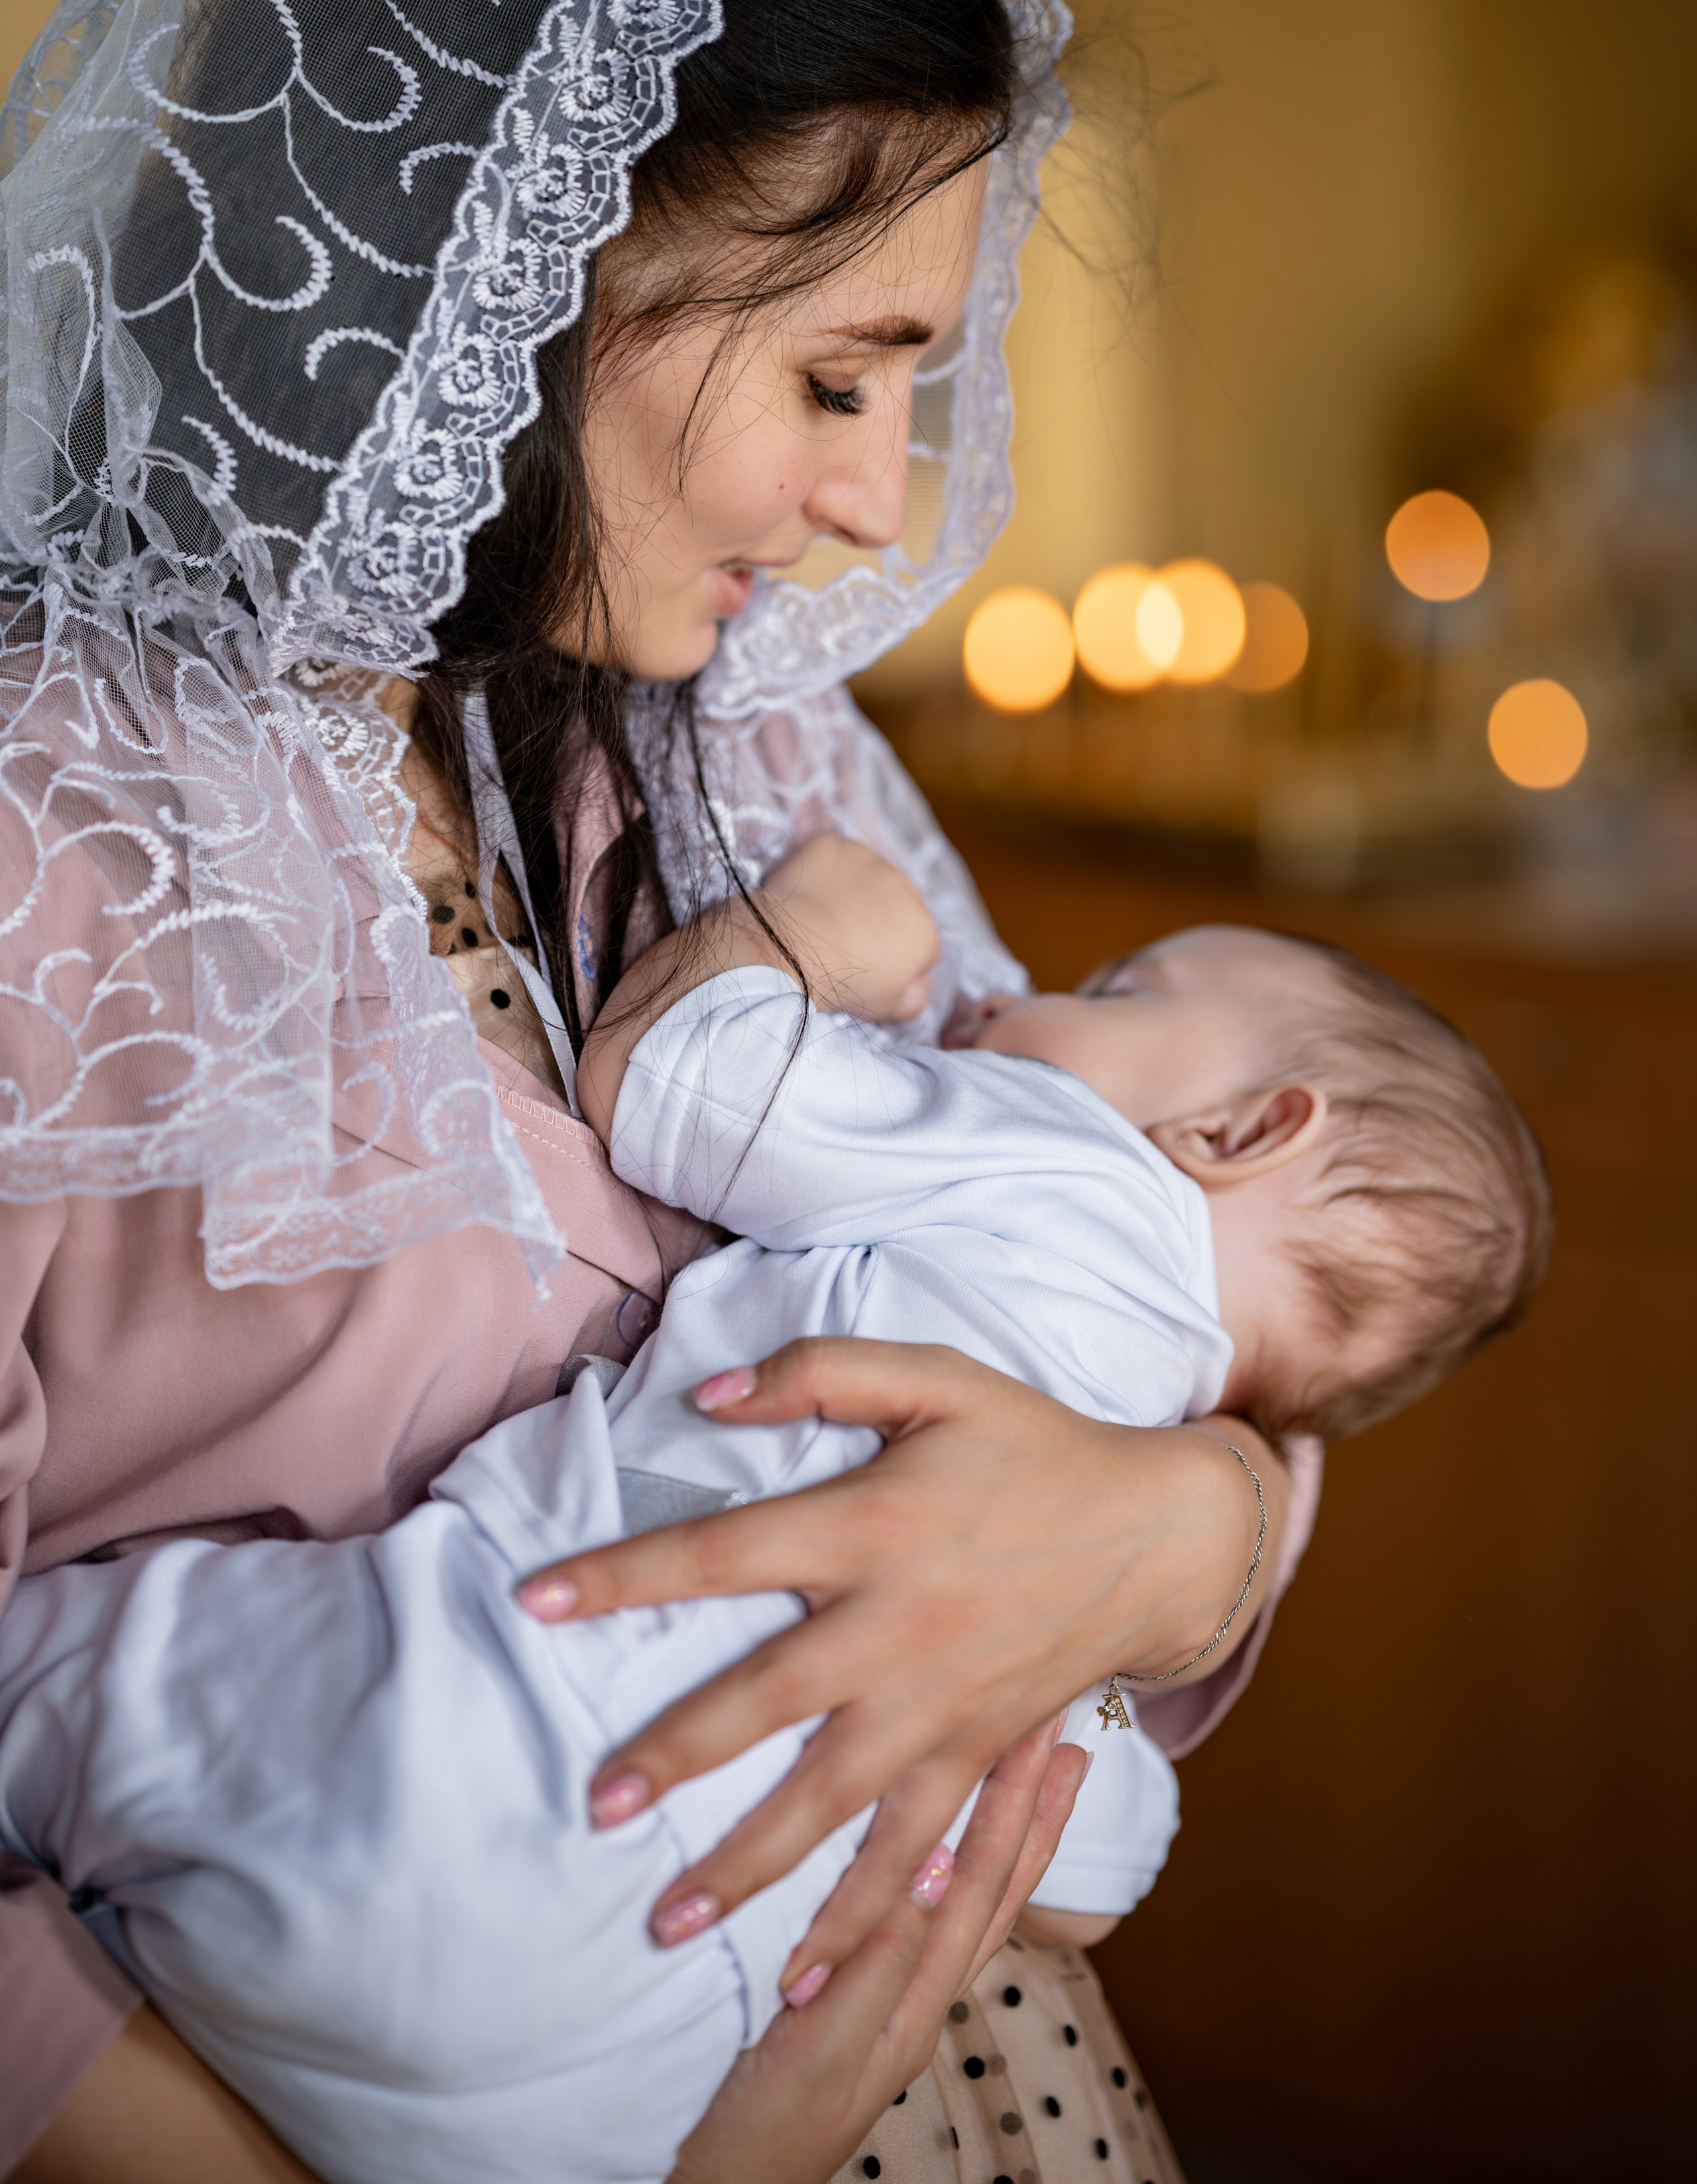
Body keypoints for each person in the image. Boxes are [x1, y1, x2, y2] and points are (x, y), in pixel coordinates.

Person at [0, 0, 1311, 2182]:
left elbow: (1170, 1255)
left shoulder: (727, 746)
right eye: (834, 376)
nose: (863, 503)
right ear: (501, 256)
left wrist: (1190, 1525)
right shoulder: (49, 841)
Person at [0, 840, 1549, 2184]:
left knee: (59, 1673)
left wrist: (806, 933)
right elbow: (1083, 1878)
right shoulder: (1131, 1476)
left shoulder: (1066, 1172)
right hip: (602, 2066)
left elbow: (680, 1079)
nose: (1004, 997)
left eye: (1116, 985)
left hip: (450, 1724)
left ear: (1237, 1131)